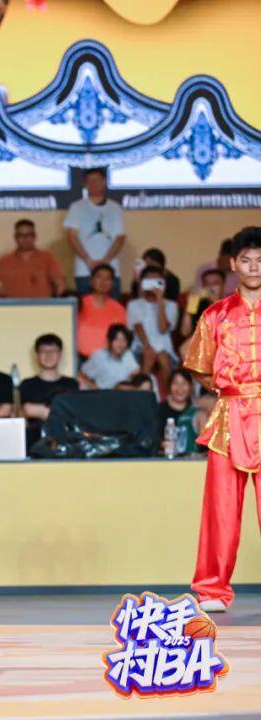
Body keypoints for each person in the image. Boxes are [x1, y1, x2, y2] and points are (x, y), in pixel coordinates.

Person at [183, 226, 261, 613]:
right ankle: (212, 589)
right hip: (230, 418)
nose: (254, 267)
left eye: (260, 260)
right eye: (246, 260)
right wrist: (228, 388)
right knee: (221, 510)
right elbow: (199, 366)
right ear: (233, 264)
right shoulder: (215, 314)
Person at [64, 168, 125, 296]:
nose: (94, 184)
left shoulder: (115, 208)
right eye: (90, 181)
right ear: (85, 184)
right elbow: (71, 237)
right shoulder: (76, 207)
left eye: (97, 180)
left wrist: (105, 262)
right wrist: (88, 260)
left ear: (104, 182)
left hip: (110, 270)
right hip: (85, 270)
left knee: (112, 307)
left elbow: (120, 238)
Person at [19, 334, 80, 448]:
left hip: (67, 444)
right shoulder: (27, 384)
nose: (48, 355)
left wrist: (42, 411)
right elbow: (28, 411)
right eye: (43, 351)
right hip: (35, 443)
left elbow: (74, 416)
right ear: (36, 355)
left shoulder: (72, 384)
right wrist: (61, 415)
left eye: (53, 351)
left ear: (60, 354)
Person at [127, 266, 179, 393]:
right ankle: (141, 394)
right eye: (149, 281)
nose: (153, 285)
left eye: (157, 281)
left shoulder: (172, 305)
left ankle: (168, 396)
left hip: (165, 348)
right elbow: (138, 327)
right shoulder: (134, 304)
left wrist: (160, 301)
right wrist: (148, 347)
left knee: (163, 358)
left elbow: (163, 328)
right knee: (148, 356)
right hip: (141, 346)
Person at [0, 220, 65, 298]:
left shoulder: (48, 258)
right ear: (15, 238)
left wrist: (60, 303)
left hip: (42, 305)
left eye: (29, 235)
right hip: (13, 305)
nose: (25, 238)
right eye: (21, 235)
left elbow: (59, 284)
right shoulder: (4, 261)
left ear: (34, 236)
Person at [77, 263, 126, 359]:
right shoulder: (79, 304)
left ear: (112, 284)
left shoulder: (119, 309)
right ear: (91, 281)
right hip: (80, 357)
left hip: (108, 359)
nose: (103, 282)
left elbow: (122, 339)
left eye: (107, 279)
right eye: (99, 277)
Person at [79, 324, 140, 390]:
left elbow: (136, 374)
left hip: (123, 394)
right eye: (117, 340)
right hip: (103, 394)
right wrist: (97, 390)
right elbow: (82, 377)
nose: (121, 344)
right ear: (109, 341)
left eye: (124, 340)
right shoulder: (99, 356)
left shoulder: (128, 354)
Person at [158, 368, 199, 456]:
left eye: (184, 383)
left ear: (191, 386)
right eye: (175, 383)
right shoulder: (159, 410)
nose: (180, 388)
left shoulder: (196, 411)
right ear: (169, 386)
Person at [180, 268, 227, 342]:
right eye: (207, 284)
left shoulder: (233, 304)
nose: (210, 287)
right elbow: (185, 332)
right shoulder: (198, 304)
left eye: (215, 283)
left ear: (223, 285)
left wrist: (215, 303)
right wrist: (190, 305)